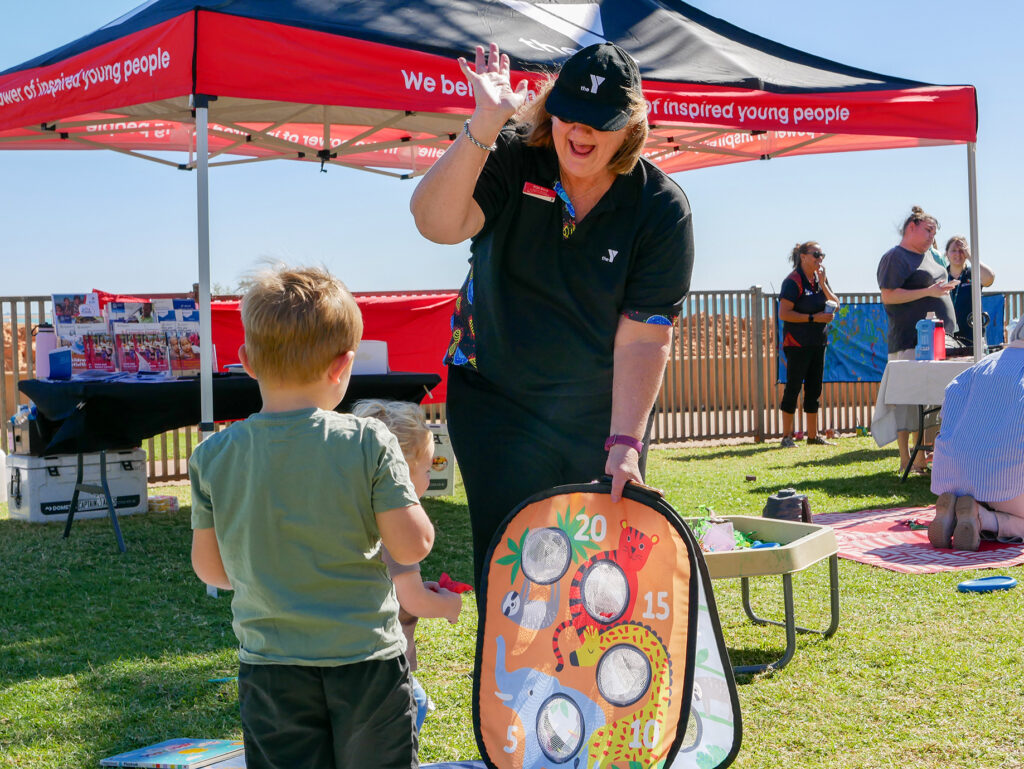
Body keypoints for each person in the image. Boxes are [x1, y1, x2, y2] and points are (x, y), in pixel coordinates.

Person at [409, 42, 694, 587]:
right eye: (570, 114)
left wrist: (626, 444)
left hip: (597, 411)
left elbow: (643, 339)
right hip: (495, 396)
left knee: (597, 575)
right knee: (515, 566)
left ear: (630, 126)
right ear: (550, 107)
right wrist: (483, 124)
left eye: (601, 121)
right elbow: (435, 223)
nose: (580, 132)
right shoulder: (513, 152)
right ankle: (506, 675)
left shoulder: (660, 207)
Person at [189, 264, 435, 769]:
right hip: (365, 663)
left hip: (270, 668)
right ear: (343, 365)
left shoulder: (212, 456)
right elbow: (411, 548)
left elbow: (212, 572)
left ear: (246, 361)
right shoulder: (369, 441)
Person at [351, 398, 463, 732]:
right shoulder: (397, 529)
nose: (429, 478)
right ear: (400, 473)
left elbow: (391, 587)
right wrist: (449, 604)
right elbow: (414, 600)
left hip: (347, 663)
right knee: (415, 706)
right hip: (385, 669)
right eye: (427, 470)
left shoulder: (354, 518)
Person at [928, 316, 1024, 550]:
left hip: (954, 477)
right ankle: (982, 518)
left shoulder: (980, 366)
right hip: (1008, 484)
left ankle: (959, 510)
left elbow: (947, 414)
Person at [876, 206, 957, 475]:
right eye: (928, 230)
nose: (932, 237)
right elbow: (889, 296)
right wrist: (929, 292)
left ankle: (924, 459)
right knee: (907, 400)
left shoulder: (930, 257)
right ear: (912, 226)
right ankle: (906, 458)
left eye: (935, 232)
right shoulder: (896, 257)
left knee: (935, 399)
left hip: (939, 341)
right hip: (910, 339)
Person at [777, 241, 839, 448]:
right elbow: (784, 313)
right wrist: (814, 318)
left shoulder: (819, 279)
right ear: (803, 256)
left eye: (822, 255)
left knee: (814, 389)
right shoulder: (793, 281)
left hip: (818, 342)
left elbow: (836, 304)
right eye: (816, 254)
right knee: (793, 387)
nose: (820, 259)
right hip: (797, 343)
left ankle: (813, 436)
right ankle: (787, 436)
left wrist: (823, 285)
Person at [944, 235, 995, 344]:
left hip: (972, 336)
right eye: (953, 250)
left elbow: (989, 278)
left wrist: (970, 256)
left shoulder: (974, 272)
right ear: (947, 254)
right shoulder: (942, 275)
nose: (958, 254)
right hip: (946, 337)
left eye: (961, 250)